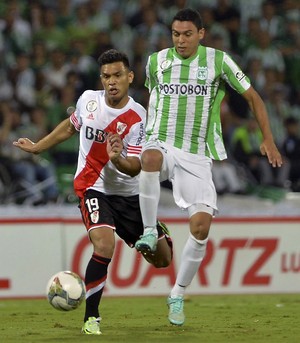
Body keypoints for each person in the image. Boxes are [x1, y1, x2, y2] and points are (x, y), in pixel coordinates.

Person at [134, 8, 283, 326]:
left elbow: (254, 98)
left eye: (187, 34)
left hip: (198, 155)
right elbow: (153, 98)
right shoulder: (156, 62)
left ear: (201, 34)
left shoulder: (219, 61)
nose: (181, 40)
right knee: (149, 159)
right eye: (176, 34)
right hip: (161, 142)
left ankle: (177, 294)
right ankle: (148, 231)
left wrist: (267, 138)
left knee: (200, 229)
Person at [13, 49, 172, 335]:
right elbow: (69, 127)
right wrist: (38, 146)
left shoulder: (138, 116)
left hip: (127, 194)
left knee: (163, 259)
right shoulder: (88, 100)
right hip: (92, 187)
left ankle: (157, 230)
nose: (111, 82)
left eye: (118, 75)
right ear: (101, 78)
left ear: (130, 77)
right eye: (106, 76)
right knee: (104, 244)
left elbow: (135, 168)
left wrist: (117, 159)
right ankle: (91, 318)